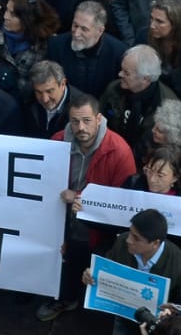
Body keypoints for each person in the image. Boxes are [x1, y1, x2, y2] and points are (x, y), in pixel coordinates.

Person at [37, 92, 135, 322]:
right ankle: (64, 297)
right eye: (75, 121)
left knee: (77, 255)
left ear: (99, 119)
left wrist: (81, 199)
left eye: (87, 121)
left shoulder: (119, 151)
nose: (80, 127)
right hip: (59, 216)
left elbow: (122, 203)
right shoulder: (57, 141)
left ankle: (74, 298)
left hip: (95, 226)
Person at [82, 208, 181, 332]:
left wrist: (173, 310)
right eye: (130, 232)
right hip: (123, 318)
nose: (129, 240)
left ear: (155, 243)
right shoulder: (122, 242)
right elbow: (107, 268)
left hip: (156, 327)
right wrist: (92, 275)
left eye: (136, 238)